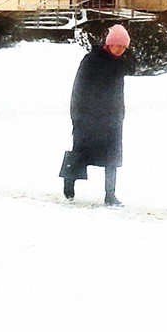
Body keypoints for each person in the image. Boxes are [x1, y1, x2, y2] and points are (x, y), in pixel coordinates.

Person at [64, 22, 130, 205]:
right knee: (81, 153)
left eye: (124, 47)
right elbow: (79, 89)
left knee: (112, 158)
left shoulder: (119, 63)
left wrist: (120, 113)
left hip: (112, 119)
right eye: (118, 45)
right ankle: (69, 182)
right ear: (109, 44)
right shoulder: (91, 60)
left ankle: (110, 194)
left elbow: (118, 92)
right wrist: (77, 115)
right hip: (89, 117)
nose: (120, 50)